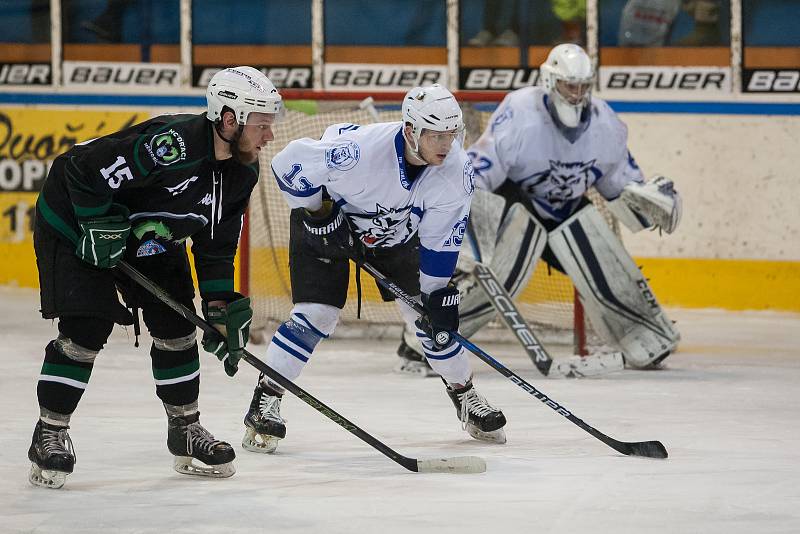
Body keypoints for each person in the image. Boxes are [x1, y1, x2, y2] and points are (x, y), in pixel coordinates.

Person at [27, 66, 282, 489]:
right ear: (229, 119)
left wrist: (218, 306)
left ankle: (184, 428)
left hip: (149, 235)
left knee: (178, 323)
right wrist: (95, 222)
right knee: (87, 327)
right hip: (75, 221)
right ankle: (50, 431)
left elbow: (216, 245)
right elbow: (79, 169)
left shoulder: (242, 172)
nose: (269, 137)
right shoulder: (172, 146)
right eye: (261, 125)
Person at [241, 84, 508, 455]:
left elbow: (441, 239)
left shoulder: (456, 172)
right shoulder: (359, 154)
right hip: (329, 227)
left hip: (394, 235)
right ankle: (265, 401)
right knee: (315, 316)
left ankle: (465, 396)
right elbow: (288, 163)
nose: (446, 145)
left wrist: (435, 295)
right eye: (436, 135)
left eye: (452, 134)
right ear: (412, 131)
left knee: (427, 316)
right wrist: (320, 212)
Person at [396, 44, 682, 374]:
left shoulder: (606, 124)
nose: (576, 95)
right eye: (568, 85)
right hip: (517, 204)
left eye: (582, 86)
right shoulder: (521, 111)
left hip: (568, 212)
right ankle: (424, 339)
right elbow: (480, 170)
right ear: (549, 81)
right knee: (502, 275)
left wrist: (650, 200)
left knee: (604, 256)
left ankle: (644, 335)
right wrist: (461, 220)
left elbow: (620, 187)